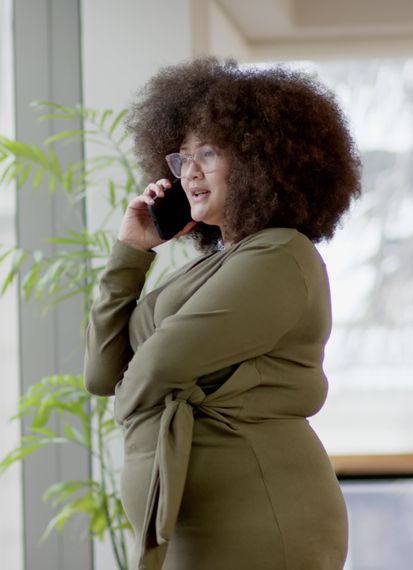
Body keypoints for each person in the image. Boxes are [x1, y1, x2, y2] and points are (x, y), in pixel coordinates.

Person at [84, 57, 362, 570]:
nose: (189, 172)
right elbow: (103, 374)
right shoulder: (211, 268)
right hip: (194, 526)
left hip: (261, 514)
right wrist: (132, 250)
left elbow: (156, 366)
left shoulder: (280, 256)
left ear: (262, 160)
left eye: (207, 153)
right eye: (181, 158)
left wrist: (143, 392)